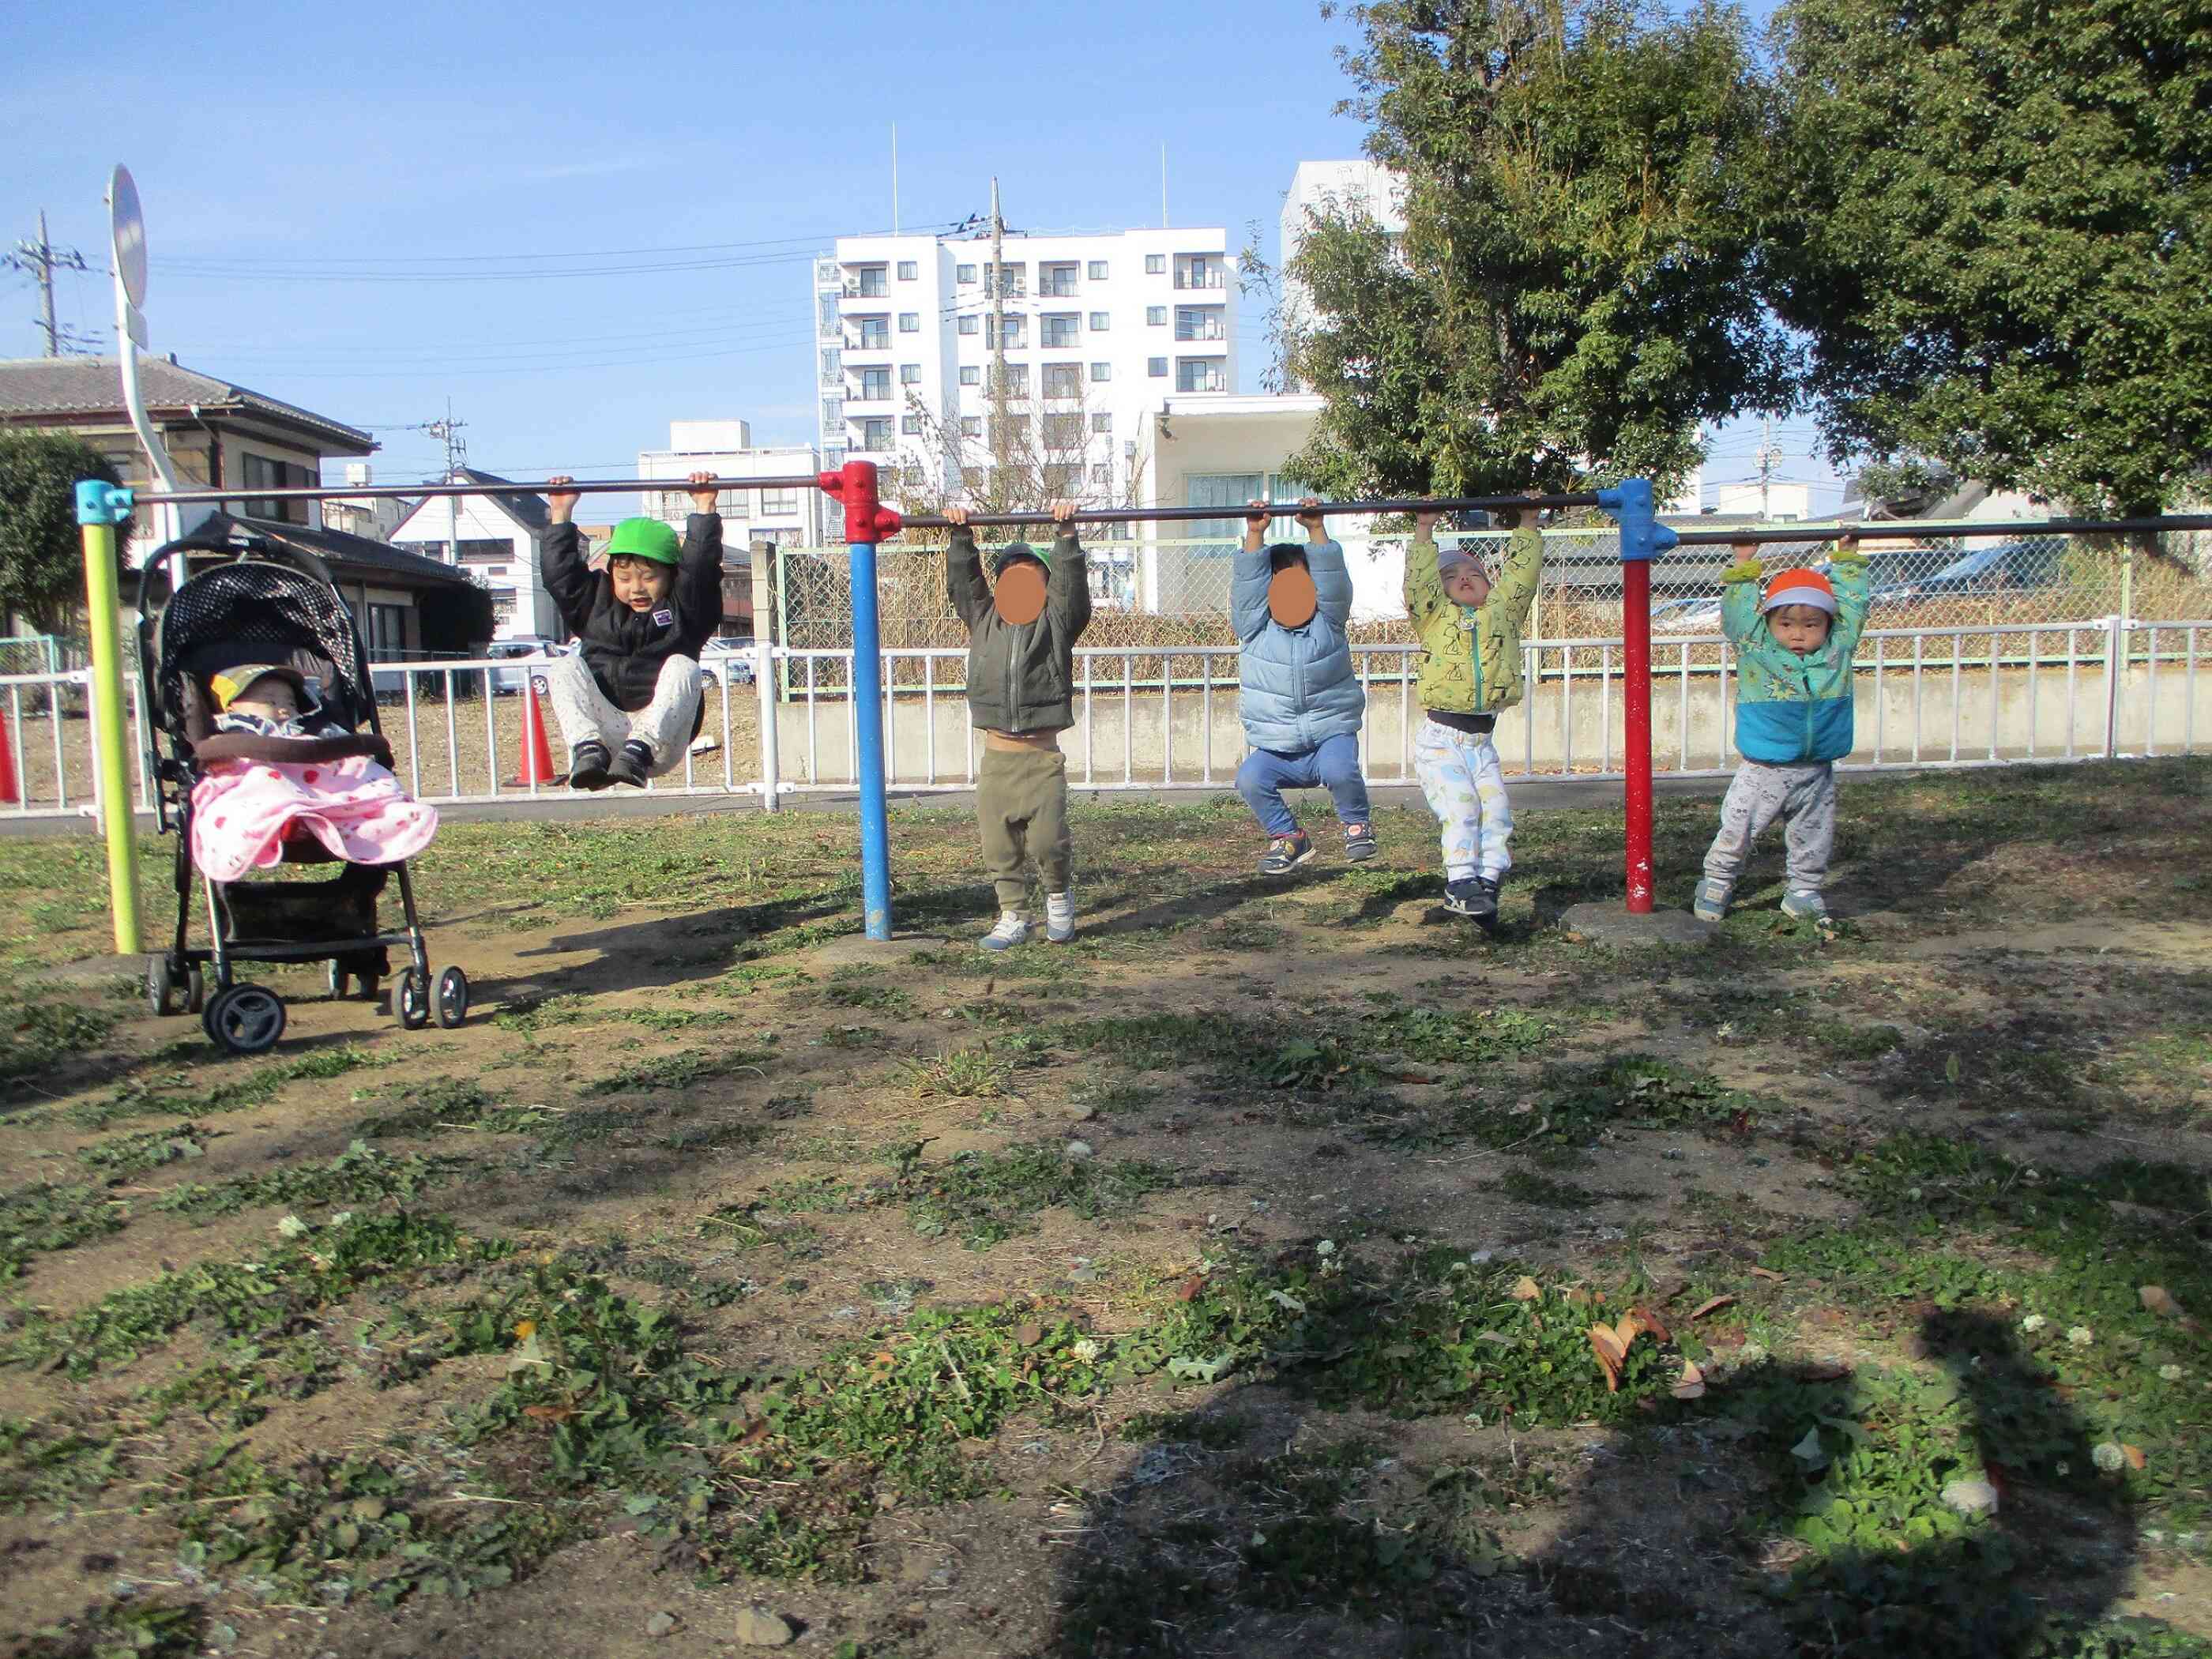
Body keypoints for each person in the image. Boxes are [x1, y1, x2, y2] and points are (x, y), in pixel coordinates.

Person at [1695, 550, 1870, 923]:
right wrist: (1743, 570)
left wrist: (1849, 564)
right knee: (1739, 829)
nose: (1798, 634)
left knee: (1814, 835)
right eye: (1787, 624)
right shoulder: (1756, 649)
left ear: (1828, 626)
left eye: (1811, 625)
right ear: (1770, 623)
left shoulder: (1838, 650)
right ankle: (1718, 879)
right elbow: (1739, 616)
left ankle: (1804, 889)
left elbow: (1853, 608)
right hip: (1764, 769)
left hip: (1816, 769)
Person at [946, 501, 1089, 950]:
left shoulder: (1057, 623)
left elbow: (1073, 591)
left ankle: (1059, 899)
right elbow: (965, 585)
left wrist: (1066, 537)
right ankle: (1013, 915)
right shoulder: (984, 619)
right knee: (999, 846)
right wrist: (961, 537)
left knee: (1048, 842)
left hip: (1042, 758)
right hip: (997, 760)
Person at [540, 472, 723, 789]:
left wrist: (704, 506)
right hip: (604, 730)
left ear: (671, 575)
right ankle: (587, 749)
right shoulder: (593, 603)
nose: (636, 588)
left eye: (649, 578)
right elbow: (561, 577)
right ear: (611, 575)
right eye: (624, 579)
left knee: (683, 667)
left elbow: (701, 569)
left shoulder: (687, 607)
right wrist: (560, 514)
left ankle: (637, 751)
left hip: (660, 738)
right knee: (564, 666)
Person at [1405, 502, 1543, 922]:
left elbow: (1521, 575)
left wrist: (1529, 524)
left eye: (1474, 573)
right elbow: (1418, 584)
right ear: (1439, 590)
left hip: (1482, 742)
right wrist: (1425, 530)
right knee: (1463, 808)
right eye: (1451, 576)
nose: (1464, 578)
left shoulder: (1504, 613)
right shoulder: (1433, 616)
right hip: (1441, 741)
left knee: (1496, 811)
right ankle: (1460, 880)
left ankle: (1486, 881)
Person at [1231, 497, 1373, 874]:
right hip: (1279, 747)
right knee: (1249, 778)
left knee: (1341, 772)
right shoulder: (1255, 629)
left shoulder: (1330, 621)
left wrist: (1315, 529)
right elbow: (1247, 584)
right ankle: (1289, 837)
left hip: (1330, 735)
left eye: (1302, 582)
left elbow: (1333, 581)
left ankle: (1357, 825)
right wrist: (1255, 535)